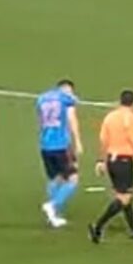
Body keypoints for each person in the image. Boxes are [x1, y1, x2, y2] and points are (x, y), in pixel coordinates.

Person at [89, 90, 133, 243]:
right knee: (124, 197)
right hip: (124, 160)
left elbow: (104, 140)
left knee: (125, 195)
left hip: (112, 160)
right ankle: (98, 226)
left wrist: (100, 160)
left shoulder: (110, 117)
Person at [37, 80, 83, 228]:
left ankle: (53, 216)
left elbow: (40, 122)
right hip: (61, 145)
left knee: (55, 177)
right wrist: (77, 141)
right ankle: (53, 205)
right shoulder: (66, 99)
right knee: (73, 179)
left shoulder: (42, 98)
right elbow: (72, 119)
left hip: (45, 145)